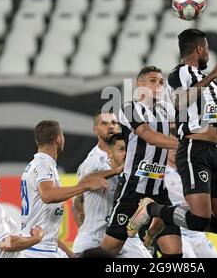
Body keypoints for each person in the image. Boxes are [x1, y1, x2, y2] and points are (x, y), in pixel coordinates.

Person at [126, 29, 217, 258]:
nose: (208, 54)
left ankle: (165, 213)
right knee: (199, 219)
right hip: (195, 150)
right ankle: (150, 208)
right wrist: (212, 75)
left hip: (215, 152)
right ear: (199, 49)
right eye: (206, 49)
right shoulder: (181, 73)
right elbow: (179, 103)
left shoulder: (213, 87)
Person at [100, 66, 183, 258]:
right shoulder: (129, 108)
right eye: (153, 81)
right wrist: (184, 144)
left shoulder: (165, 109)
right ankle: (146, 234)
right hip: (133, 188)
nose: (158, 85)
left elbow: (187, 125)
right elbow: (149, 135)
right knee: (109, 250)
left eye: (161, 82)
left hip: (159, 190)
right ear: (140, 85)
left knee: (175, 252)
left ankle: (149, 236)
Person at [20, 120, 108, 258]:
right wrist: (86, 186)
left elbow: (47, 232)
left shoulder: (38, 165)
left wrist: (69, 254)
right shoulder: (43, 165)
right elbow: (48, 195)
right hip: (39, 252)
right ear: (58, 139)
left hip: (42, 247)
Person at [72, 114, 151, 257]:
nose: (111, 126)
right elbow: (78, 199)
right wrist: (87, 228)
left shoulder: (130, 157)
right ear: (95, 129)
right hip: (96, 239)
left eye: (114, 122)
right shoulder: (92, 162)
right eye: (105, 123)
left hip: (122, 236)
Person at [159, 124, 217, 258]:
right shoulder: (160, 173)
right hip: (177, 228)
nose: (175, 150)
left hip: (196, 230)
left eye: (178, 145)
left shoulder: (193, 167)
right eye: (171, 146)